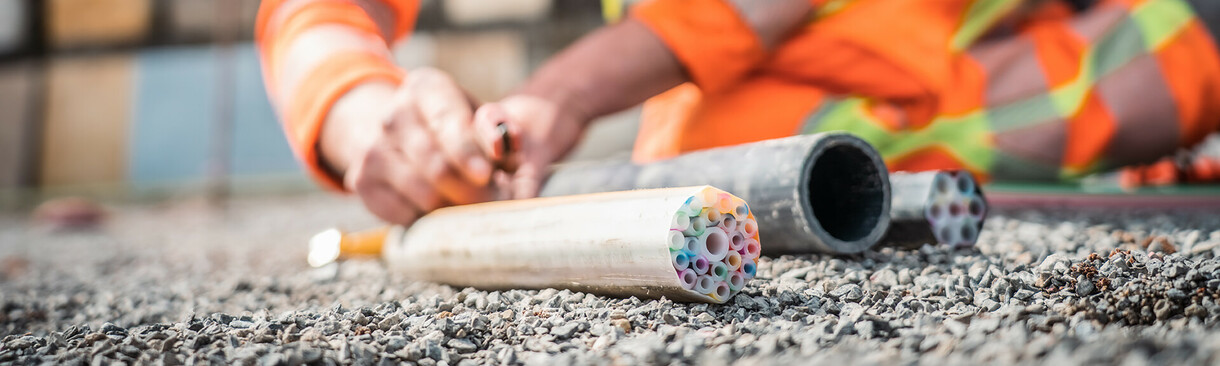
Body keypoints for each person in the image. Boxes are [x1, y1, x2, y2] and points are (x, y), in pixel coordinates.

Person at [256, 0, 1220, 226]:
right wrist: (369, 123)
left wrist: (566, 89)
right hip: (741, 115)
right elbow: (317, 18)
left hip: (1057, 56)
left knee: (1171, 63)